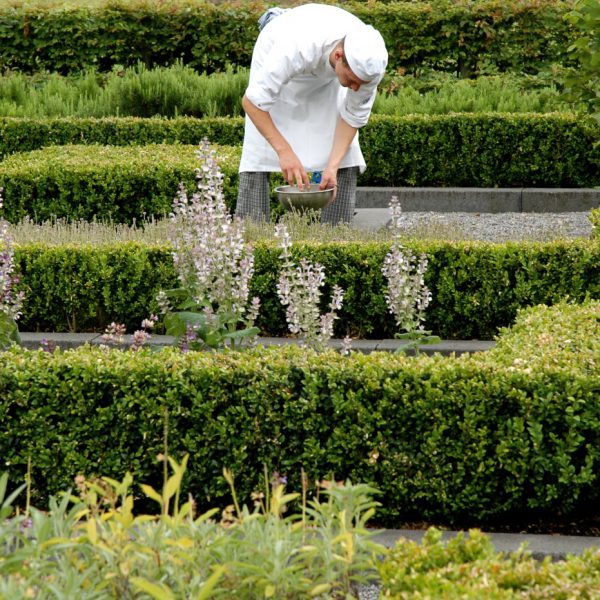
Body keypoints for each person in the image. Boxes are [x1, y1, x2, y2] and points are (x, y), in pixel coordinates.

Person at [235, 3, 388, 224]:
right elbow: (252, 103)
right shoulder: (296, 45)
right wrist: (284, 151)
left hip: (327, 80)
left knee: (347, 154)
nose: (356, 88)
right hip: (277, 55)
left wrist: (332, 166)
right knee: (259, 152)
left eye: (360, 84)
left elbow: (353, 117)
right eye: (353, 81)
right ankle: (250, 231)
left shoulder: (367, 66)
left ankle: (336, 232)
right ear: (338, 56)